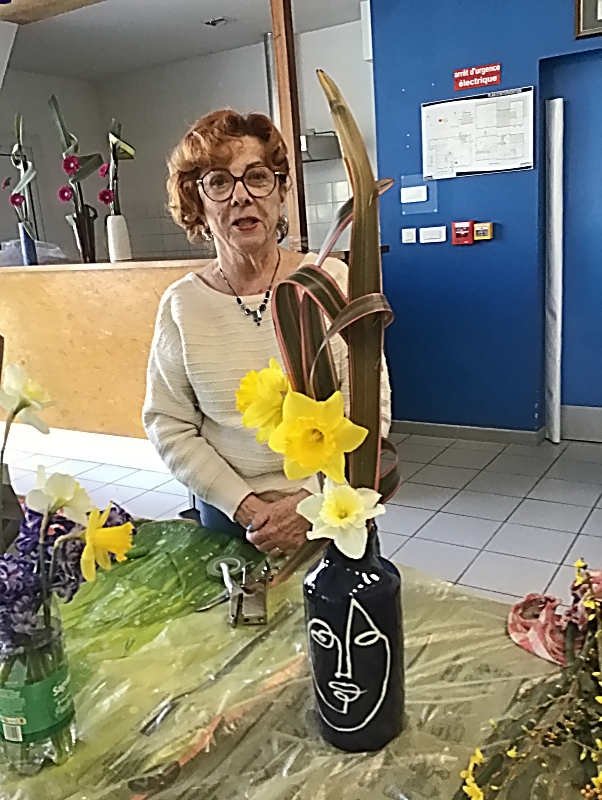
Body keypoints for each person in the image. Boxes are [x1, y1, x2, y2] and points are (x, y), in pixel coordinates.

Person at [143, 110, 391, 559]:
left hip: (334, 507)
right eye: (219, 182)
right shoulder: (182, 305)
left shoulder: (329, 281)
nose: (241, 196)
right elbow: (169, 423)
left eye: (257, 177)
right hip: (227, 517)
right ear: (197, 204)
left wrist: (309, 505)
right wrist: (246, 507)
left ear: (279, 191)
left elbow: (369, 408)